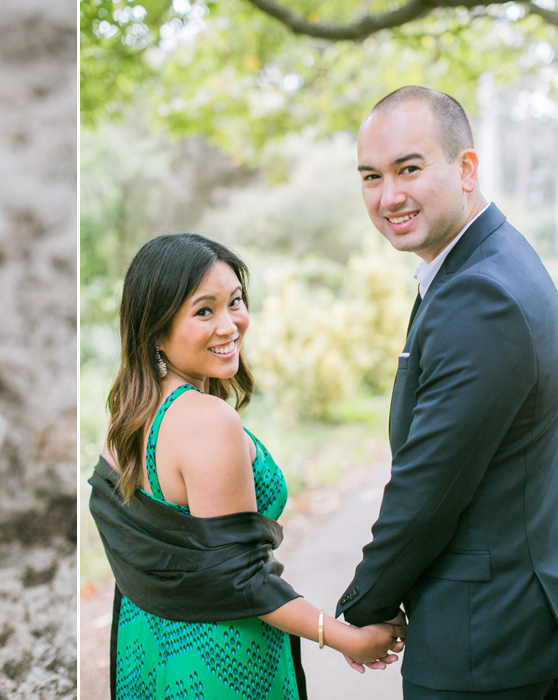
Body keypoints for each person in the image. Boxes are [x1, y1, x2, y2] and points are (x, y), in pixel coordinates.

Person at [89, 232, 404, 700]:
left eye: (235, 302)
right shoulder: (207, 419)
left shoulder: (130, 414)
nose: (229, 325)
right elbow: (243, 581)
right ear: (156, 329)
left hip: (147, 650)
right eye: (203, 311)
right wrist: (351, 640)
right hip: (221, 662)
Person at [338, 86, 558, 698]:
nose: (389, 197)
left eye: (409, 168)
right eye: (371, 177)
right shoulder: (494, 260)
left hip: (486, 643)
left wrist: (362, 605)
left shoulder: (479, 294)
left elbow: (428, 489)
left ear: (466, 169)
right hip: (509, 625)